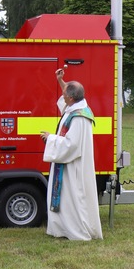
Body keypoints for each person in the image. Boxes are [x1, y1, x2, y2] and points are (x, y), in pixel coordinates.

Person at [40, 69, 102, 241]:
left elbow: (71, 144)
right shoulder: (77, 107)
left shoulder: (79, 117)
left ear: (72, 98)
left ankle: (74, 230)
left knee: (71, 199)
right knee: (67, 199)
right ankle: (61, 228)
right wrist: (61, 81)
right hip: (67, 164)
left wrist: (50, 139)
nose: (63, 98)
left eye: (65, 95)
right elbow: (65, 102)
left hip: (72, 166)